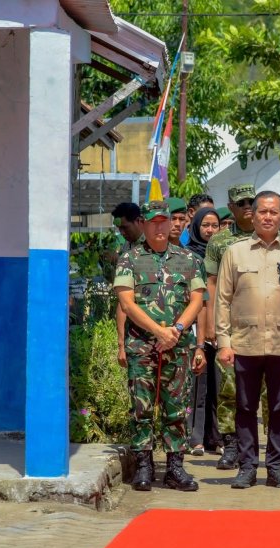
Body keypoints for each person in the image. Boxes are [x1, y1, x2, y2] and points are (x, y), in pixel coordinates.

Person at [215, 191, 280, 489]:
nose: (268, 216)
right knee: (245, 407)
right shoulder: (236, 252)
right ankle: (247, 466)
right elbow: (222, 299)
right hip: (244, 342)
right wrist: (223, 341)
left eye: (274, 212)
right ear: (254, 215)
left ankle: (276, 467)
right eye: (263, 212)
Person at [114, 200, 205, 492]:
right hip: (142, 346)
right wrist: (157, 331)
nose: (160, 227)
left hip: (177, 346)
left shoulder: (188, 259)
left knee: (176, 407)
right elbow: (126, 302)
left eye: (165, 221)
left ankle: (175, 467)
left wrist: (176, 330)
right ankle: (144, 465)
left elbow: (197, 299)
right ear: (144, 223)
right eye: (154, 222)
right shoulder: (130, 258)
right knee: (141, 407)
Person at [204, 184, 257, 470]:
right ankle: (231, 445)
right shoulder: (220, 242)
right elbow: (210, 284)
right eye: (242, 202)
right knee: (228, 389)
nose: (248, 206)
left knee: (268, 392)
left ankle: (272, 449)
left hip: (266, 327)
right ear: (232, 207)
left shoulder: (274, 235)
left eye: (252, 200)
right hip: (231, 328)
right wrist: (211, 323)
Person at [184, 207, 221, 456]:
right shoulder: (188, 256)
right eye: (205, 225)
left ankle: (215, 437)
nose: (209, 230)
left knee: (217, 387)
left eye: (214, 225)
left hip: (220, 328)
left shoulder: (224, 255)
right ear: (196, 226)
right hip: (195, 328)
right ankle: (194, 437)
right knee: (198, 385)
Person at [110, 202, 143, 371]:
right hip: (134, 330)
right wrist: (121, 343)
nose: (122, 233)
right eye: (119, 230)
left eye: (125, 228)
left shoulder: (151, 247)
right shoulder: (127, 247)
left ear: (139, 221)